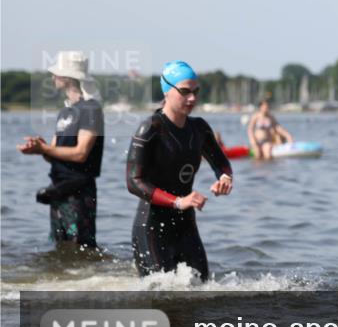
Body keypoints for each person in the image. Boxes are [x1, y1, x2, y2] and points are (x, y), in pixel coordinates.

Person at [126, 61, 233, 281]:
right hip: (152, 226)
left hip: (185, 224)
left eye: (196, 92)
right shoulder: (151, 128)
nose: (192, 98)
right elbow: (133, 181)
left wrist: (224, 178)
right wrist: (177, 201)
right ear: (167, 91)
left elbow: (220, 162)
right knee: (162, 296)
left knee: (201, 288)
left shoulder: (199, 128)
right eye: (184, 92)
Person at [17, 51, 105, 249]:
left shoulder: (91, 109)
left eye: (56, 73)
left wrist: (46, 148)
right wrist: (40, 150)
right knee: (61, 248)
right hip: (59, 188)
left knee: (81, 246)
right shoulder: (65, 111)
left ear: (67, 77)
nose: (53, 77)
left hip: (80, 191)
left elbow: (81, 153)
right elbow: (55, 154)